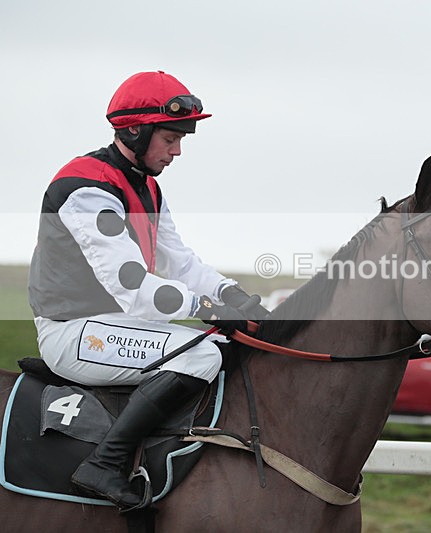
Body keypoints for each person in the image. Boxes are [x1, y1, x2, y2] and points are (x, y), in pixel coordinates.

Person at [28, 70, 264, 509]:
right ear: (135, 130)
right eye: (170, 138)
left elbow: (180, 260)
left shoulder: (148, 188)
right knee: (200, 352)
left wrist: (232, 294)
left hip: (114, 327)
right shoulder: (86, 187)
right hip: (74, 332)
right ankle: (106, 463)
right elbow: (135, 287)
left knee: (229, 345)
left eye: (181, 140)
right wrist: (208, 309)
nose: (177, 151)